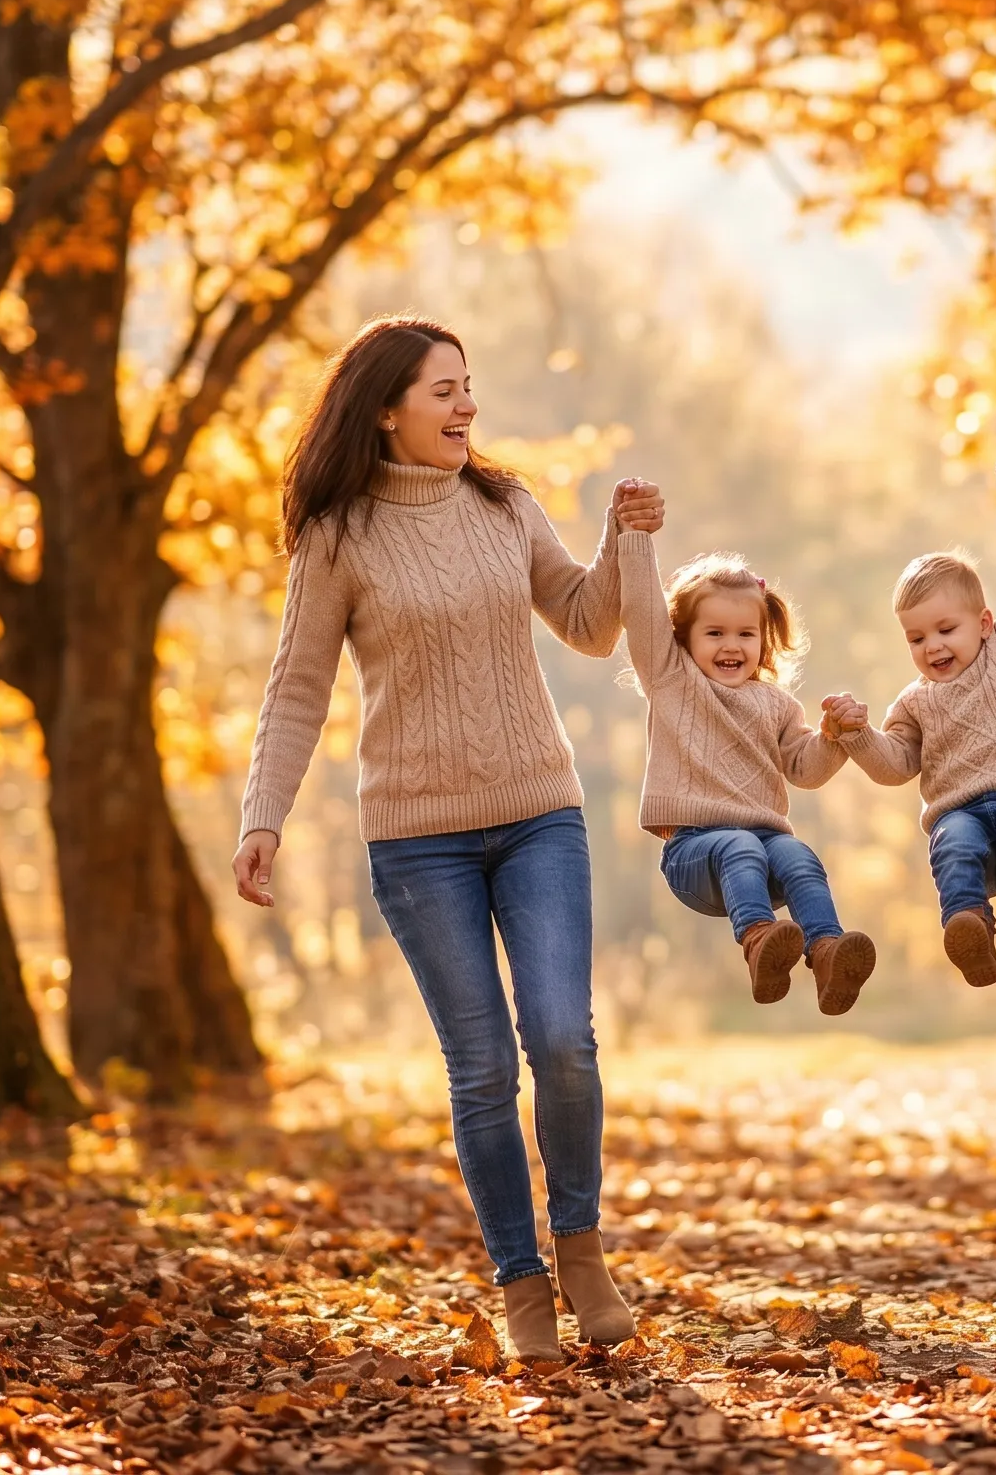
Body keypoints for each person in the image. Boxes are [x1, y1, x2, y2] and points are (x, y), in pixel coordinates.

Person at [229, 315, 655, 1364]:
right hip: (416, 840)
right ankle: (520, 1284)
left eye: (470, 386)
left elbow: (589, 624)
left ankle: (582, 1250)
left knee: (561, 1038)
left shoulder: (504, 506)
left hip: (537, 811)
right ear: (386, 409)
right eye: (443, 390)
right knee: (478, 1070)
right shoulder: (337, 538)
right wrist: (262, 817)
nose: (467, 406)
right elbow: (297, 689)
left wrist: (624, 541)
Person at [617, 530, 878, 1013]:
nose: (730, 645)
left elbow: (805, 769)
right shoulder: (673, 681)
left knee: (798, 855)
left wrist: (834, 736)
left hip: (766, 855)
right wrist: (634, 536)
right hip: (694, 854)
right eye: (714, 633)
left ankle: (826, 951)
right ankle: (759, 942)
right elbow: (640, 611)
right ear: (682, 637)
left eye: (745, 633)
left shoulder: (776, 704)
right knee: (738, 842)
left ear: (764, 638)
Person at [824, 501, 996, 988]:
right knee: (952, 842)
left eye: (945, 630)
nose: (931, 646)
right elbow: (895, 765)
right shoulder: (914, 702)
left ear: (982, 623)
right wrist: (857, 734)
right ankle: (969, 928)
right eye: (916, 638)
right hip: (961, 814)